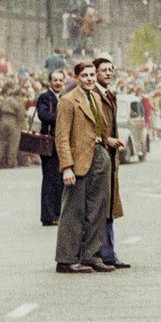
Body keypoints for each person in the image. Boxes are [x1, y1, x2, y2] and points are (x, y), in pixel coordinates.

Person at [54, 60, 113, 274]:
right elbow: (61, 137)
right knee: (73, 211)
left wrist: (107, 141)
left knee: (98, 208)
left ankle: (92, 255)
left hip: (98, 155)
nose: (89, 79)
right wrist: (67, 167)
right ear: (77, 77)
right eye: (85, 76)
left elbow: (98, 128)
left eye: (91, 75)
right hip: (78, 161)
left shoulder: (96, 97)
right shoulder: (68, 101)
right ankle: (66, 258)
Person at [94, 56, 129, 270]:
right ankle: (104, 252)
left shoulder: (108, 94)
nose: (108, 73)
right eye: (103, 70)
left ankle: (109, 251)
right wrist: (106, 139)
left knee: (109, 205)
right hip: (101, 154)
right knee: (103, 205)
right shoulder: (95, 95)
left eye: (110, 69)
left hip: (110, 156)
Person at [36, 70, 65, 225]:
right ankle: (48, 215)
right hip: (48, 143)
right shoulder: (45, 97)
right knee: (49, 179)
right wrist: (62, 118)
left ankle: (58, 213)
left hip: (62, 142)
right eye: (55, 80)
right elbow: (43, 115)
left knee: (60, 180)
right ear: (50, 82)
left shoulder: (65, 97)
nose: (58, 83)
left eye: (60, 80)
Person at [0, 90, 24, 169]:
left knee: (1, 142)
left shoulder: (4, 100)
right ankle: (10, 163)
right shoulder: (17, 101)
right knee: (13, 143)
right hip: (13, 120)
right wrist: (21, 125)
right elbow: (20, 113)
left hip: (3, 120)